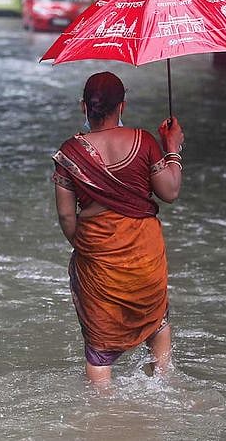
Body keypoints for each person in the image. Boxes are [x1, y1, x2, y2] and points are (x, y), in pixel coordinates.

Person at [52, 71, 185, 384]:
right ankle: (164, 384)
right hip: (145, 256)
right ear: (122, 106)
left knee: (99, 346)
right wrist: (172, 147)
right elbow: (170, 192)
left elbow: (66, 217)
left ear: (83, 107)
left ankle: (102, 416)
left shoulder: (69, 154)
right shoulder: (144, 142)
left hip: (99, 260)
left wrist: (89, 247)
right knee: (158, 323)